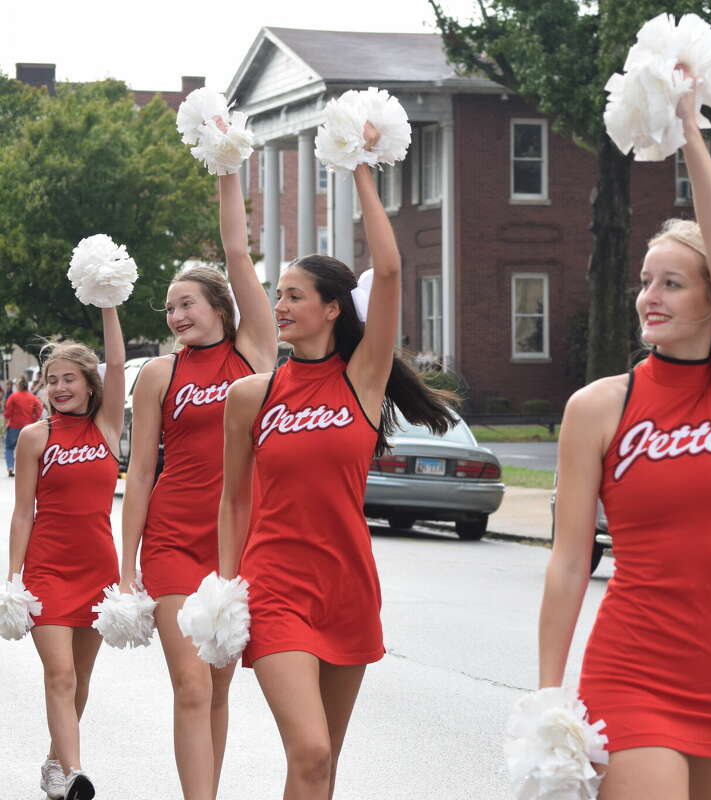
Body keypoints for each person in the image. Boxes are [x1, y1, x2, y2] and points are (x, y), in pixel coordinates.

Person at [540, 70, 711, 799]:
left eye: (672, 282)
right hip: (631, 665)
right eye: (646, 281)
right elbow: (567, 562)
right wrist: (548, 695)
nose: (650, 296)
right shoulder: (598, 408)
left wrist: (689, 124)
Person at [216, 121, 457, 799]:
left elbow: (392, 270)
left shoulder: (364, 379)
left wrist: (356, 168)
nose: (281, 305)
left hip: (348, 585)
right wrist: (227, 589)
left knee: (322, 768)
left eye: (294, 295)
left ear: (330, 309)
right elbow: (233, 499)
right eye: (278, 295)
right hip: (274, 586)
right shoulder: (251, 395)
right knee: (311, 749)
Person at [118, 141, 277, 799]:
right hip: (174, 541)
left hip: (238, 545)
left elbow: (238, 253)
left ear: (218, 305)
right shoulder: (160, 374)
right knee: (189, 684)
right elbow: (143, 474)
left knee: (217, 683)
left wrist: (227, 164)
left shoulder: (255, 352)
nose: (177, 316)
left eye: (187, 303)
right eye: (169, 309)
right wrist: (126, 565)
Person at [7, 310, 126, 800]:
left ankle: (55, 761)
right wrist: (13, 579)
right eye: (51, 379)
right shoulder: (36, 437)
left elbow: (118, 364)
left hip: (99, 570)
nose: (58, 387)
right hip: (47, 571)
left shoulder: (107, 424)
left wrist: (106, 300)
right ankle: (75, 772)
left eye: (69, 378)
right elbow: (22, 514)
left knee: (81, 679)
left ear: (89, 384)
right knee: (59, 673)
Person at [5, 377, 44, 477]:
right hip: (29, 426)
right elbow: (39, 409)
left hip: (14, 426)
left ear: (18, 385)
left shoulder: (13, 396)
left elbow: (7, 411)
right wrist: (35, 418)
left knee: (9, 447)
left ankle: (10, 467)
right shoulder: (32, 397)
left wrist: (7, 420)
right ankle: (27, 469)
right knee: (28, 449)